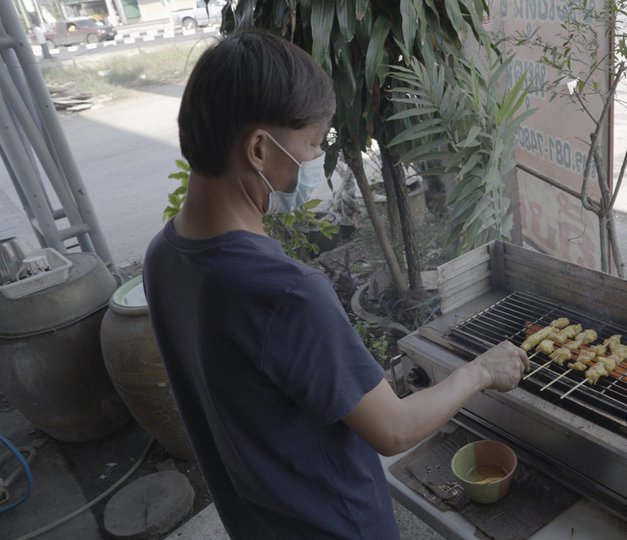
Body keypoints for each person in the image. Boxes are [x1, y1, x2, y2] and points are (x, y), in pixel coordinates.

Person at [142, 31, 529, 540]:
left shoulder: (162, 257)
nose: (314, 158)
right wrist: (480, 371)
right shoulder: (285, 292)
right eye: (310, 142)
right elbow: (394, 429)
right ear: (259, 148)